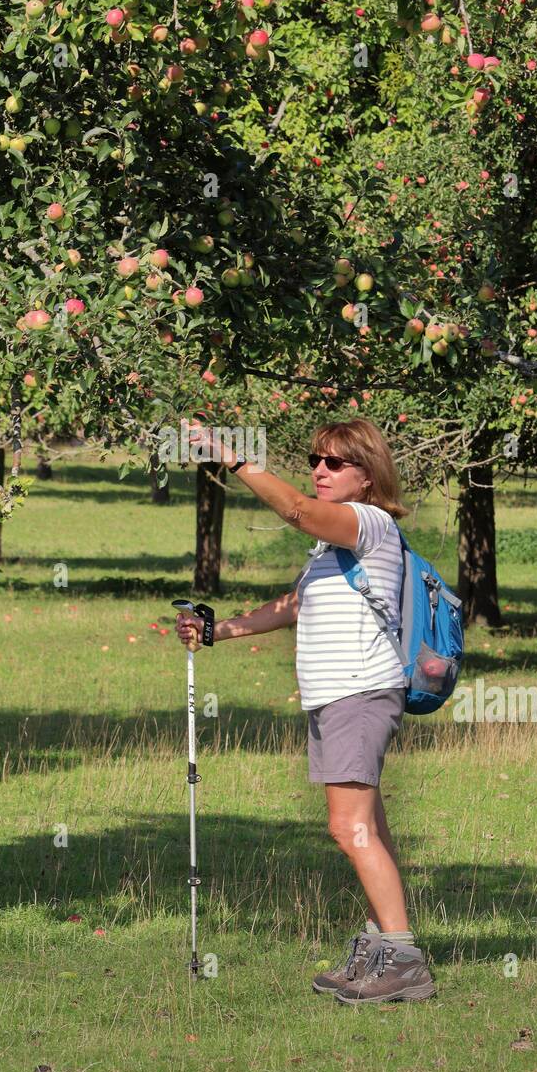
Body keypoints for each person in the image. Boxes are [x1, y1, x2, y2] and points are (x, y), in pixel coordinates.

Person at [176, 417, 436, 1005]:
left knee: (350, 828)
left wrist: (232, 459)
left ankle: (404, 962)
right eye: (316, 459)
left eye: (335, 462)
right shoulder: (334, 543)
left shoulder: (366, 523)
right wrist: (219, 629)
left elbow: (293, 508)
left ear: (367, 477)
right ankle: (379, 948)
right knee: (368, 826)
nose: (319, 469)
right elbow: (295, 604)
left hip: (357, 693)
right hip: (336, 695)